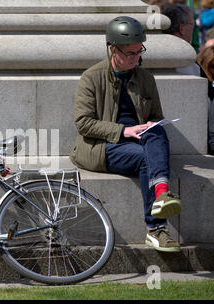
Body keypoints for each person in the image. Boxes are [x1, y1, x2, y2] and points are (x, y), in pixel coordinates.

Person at [69, 16, 182, 252]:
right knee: (144, 158)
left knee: (157, 131)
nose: (135, 58)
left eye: (139, 52)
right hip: (101, 146)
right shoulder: (91, 77)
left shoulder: (145, 78)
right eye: (129, 54)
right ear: (112, 49)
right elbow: (83, 123)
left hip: (140, 140)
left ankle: (161, 193)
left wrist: (149, 125)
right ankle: (156, 228)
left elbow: (156, 114)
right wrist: (124, 130)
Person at [162, 4, 200, 75]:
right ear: (181, 29)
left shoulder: (157, 51)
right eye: (193, 25)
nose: (193, 30)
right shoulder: (186, 58)